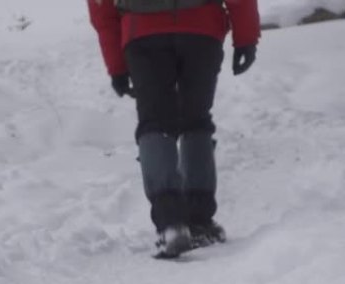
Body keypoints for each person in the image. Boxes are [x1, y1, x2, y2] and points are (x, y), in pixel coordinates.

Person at [88, 0, 261, 258]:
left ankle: (170, 223)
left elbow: (101, 6)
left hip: (142, 31)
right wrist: (246, 36)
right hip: (201, 28)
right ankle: (199, 221)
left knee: (154, 122)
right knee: (196, 119)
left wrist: (116, 64)